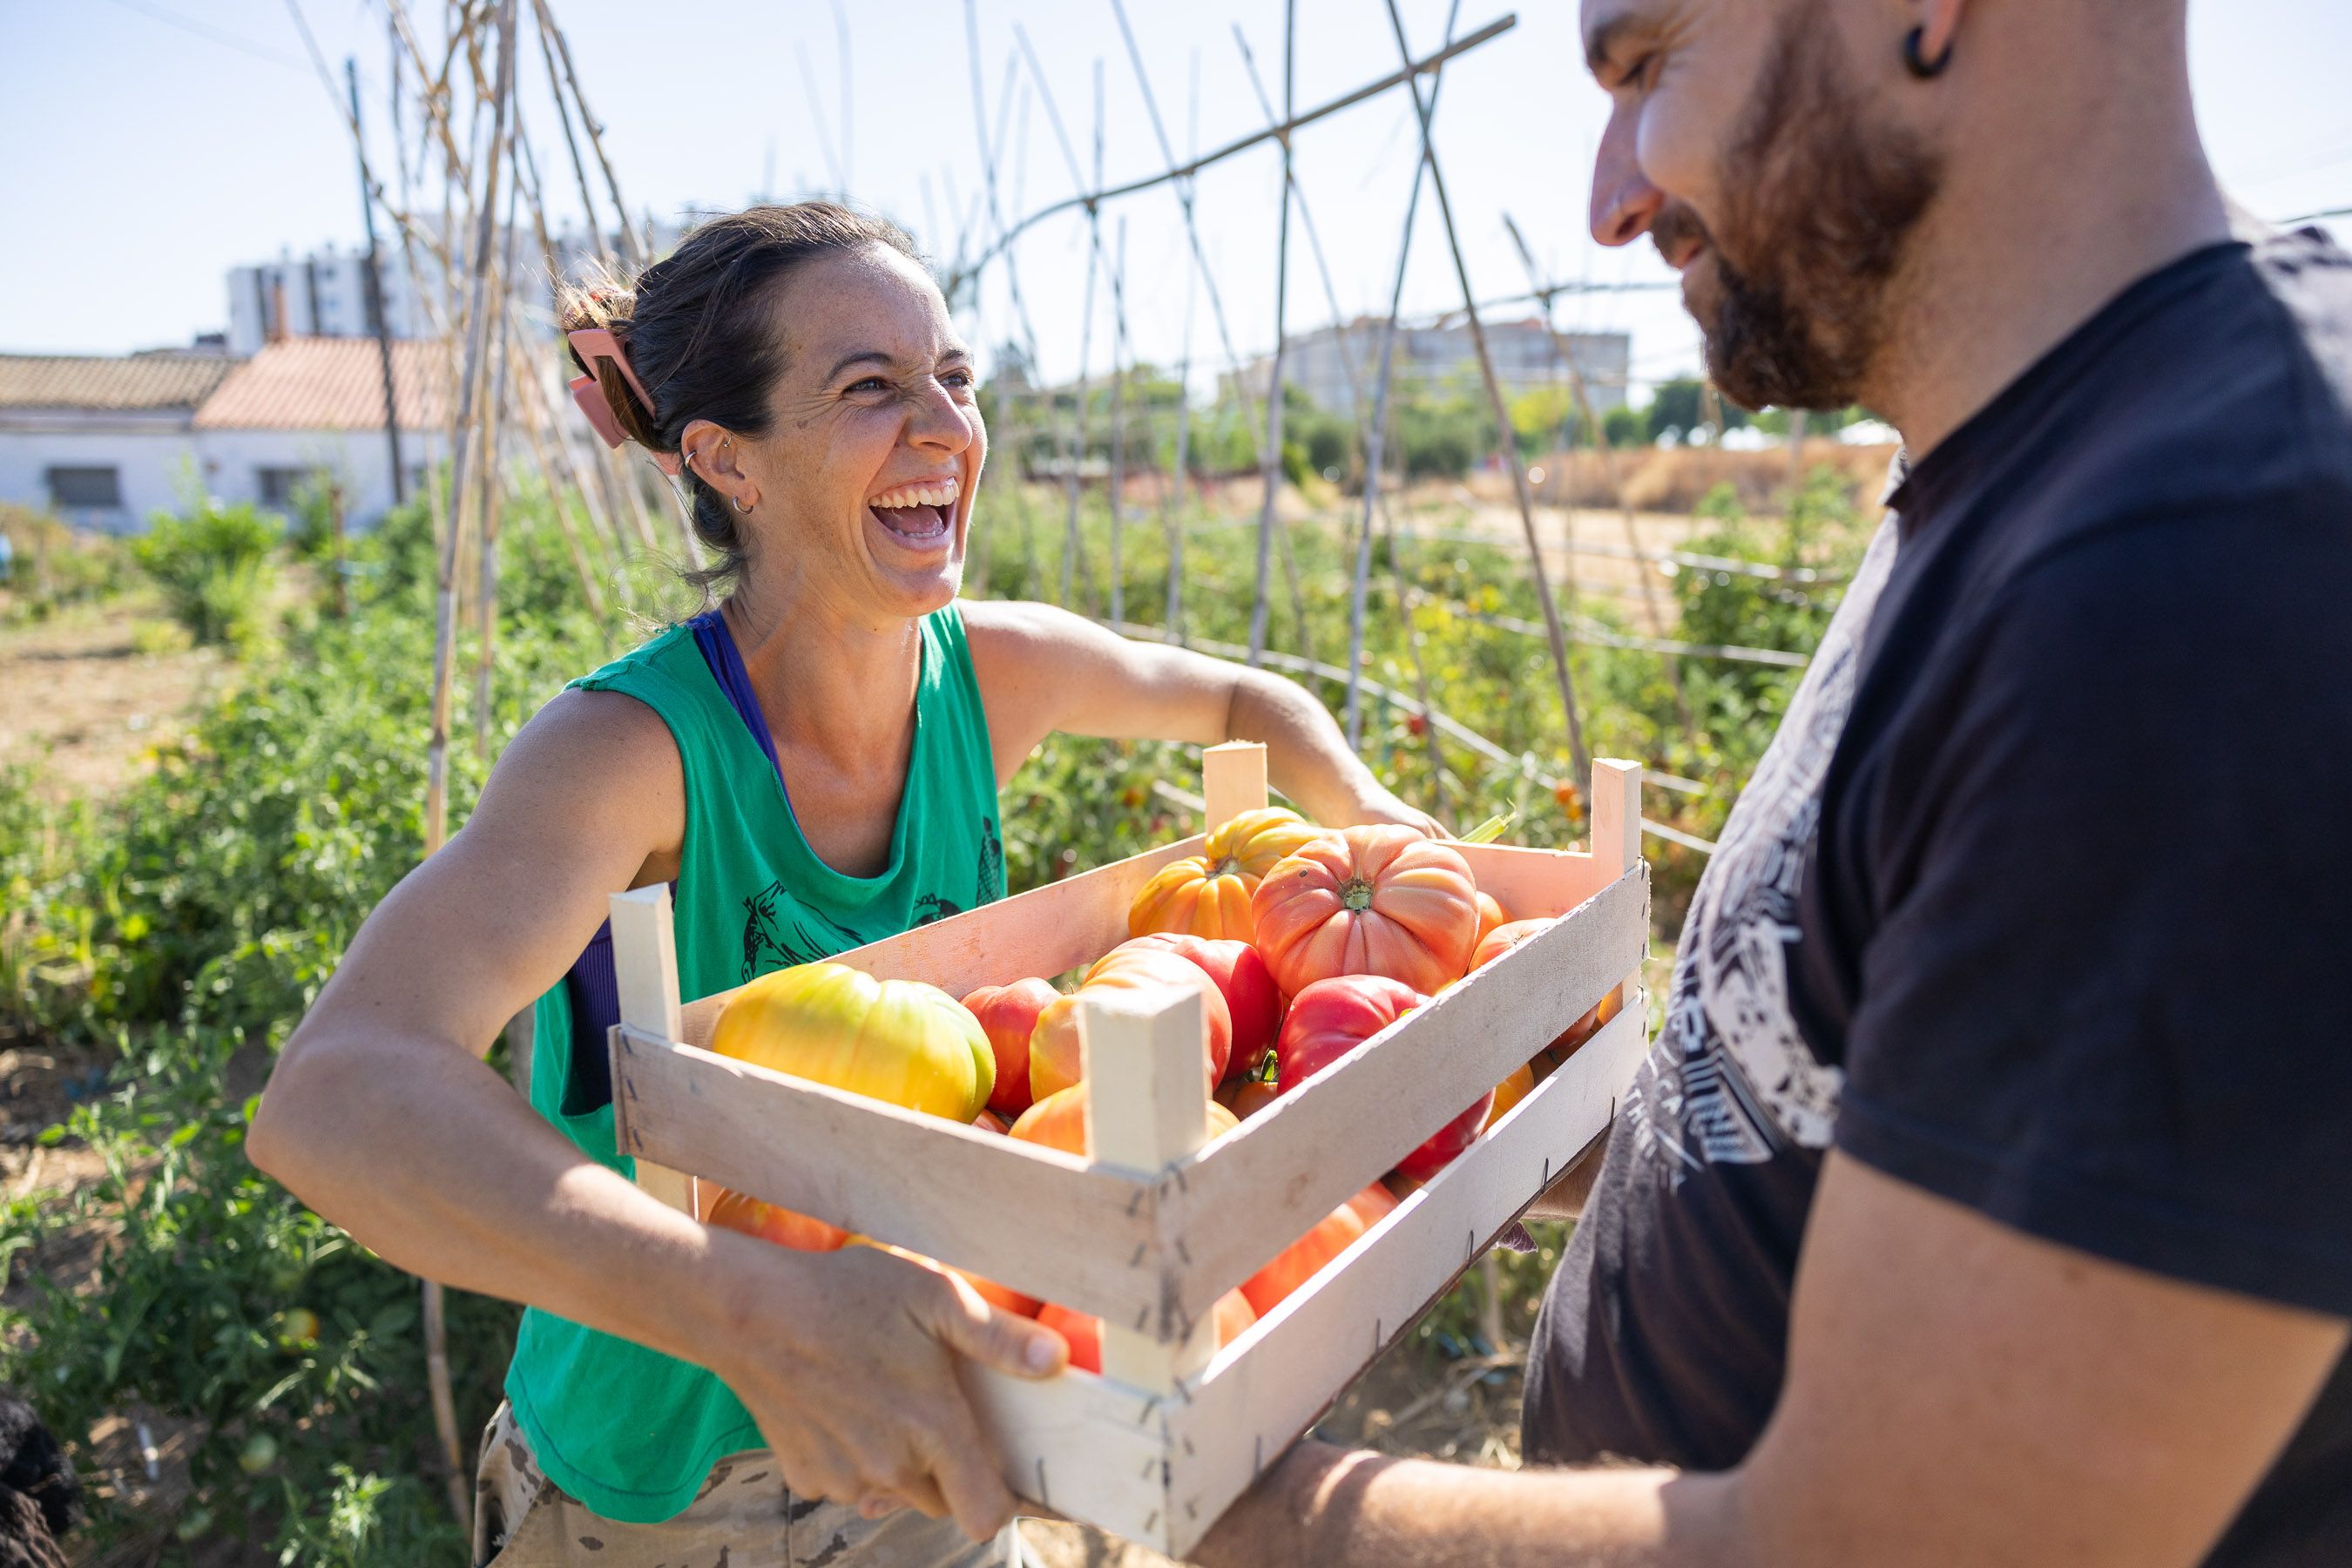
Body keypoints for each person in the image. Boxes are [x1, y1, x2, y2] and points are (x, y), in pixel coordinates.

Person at [1195, 0, 2352, 1563]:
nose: (1610, 198)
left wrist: (1232, 1499)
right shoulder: (2040, 454)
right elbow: (1831, 1105)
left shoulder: (2205, 579)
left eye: (1647, 63)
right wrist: (1405, 1119)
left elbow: (1892, 1542)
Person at [246, 201, 1441, 1568]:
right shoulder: (632, 754)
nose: (945, 427)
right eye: (870, 388)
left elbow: (1237, 694)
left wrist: (1369, 812)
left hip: (931, 1415)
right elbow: (336, 1090)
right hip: (663, 1479)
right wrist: (749, 1310)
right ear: (723, 460)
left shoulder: (990, 678)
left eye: (954, 378)